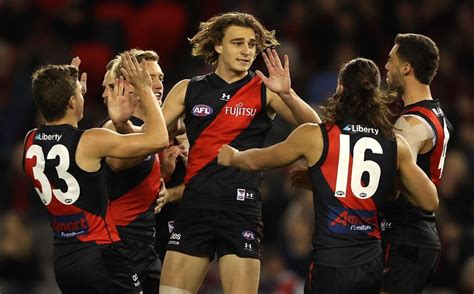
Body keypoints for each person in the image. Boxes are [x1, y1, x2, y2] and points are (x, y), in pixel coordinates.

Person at [217, 57, 439, 294]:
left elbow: (256, 160)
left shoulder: (316, 136)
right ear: (375, 93)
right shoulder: (396, 144)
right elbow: (429, 201)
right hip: (371, 263)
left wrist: (232, 156)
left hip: (331, 262)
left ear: (341, 88)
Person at [159, 11, 320, 294]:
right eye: (237, 43)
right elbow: (155, 137)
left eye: (251, 44)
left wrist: (288, 94)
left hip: (241, 209)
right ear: (218, 45)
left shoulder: (265, 90)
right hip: (195, 208)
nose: (246, 51)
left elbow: (317, 129)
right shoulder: (188, 89)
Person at [23, 53, 169, 294]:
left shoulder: (30, 141)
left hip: (64, 257)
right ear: (72, 102)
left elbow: (64, 141)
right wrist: (143, 88)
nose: (86, 95)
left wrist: (62, 91)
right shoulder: (91, 140)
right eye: (80, 93)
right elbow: (159, 139)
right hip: (101, 252)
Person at [101, 49, 182, 294]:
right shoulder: (111, 127)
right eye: (148, 79)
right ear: (129, 85)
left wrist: (164, 176)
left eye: (160, 78)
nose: (157, 85)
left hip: (146, 245)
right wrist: (121, 123)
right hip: (120, 243)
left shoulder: (164, 130)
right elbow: (117, 163)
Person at [381, 33, 452, 294]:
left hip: (404, 236)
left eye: (391, 60)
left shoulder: (411, 124)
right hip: (417, 237)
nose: (386, 67)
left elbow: (392, 184)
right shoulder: (434, 114)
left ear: (406, 67)